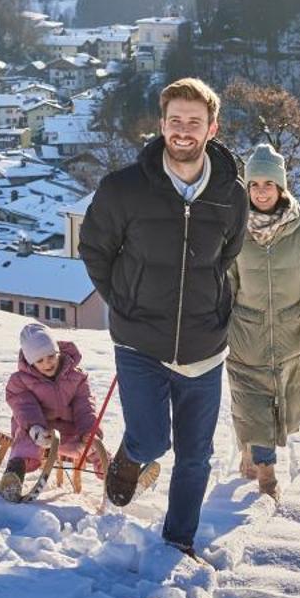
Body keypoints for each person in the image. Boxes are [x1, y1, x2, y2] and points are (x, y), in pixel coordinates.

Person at [78, 77, 247, 556]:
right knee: (153, 441)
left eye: (194, 122)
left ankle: (178, 541)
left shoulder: (230, 195)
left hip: (205, 345)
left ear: (212, 128)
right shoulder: (123, 189)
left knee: (196, 456)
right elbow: (94, 248)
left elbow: (227, 255)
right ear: (162, 125)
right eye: (175, 121)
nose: (183, 131)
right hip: (139, 342)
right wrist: (123, 301)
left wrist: (214, 306)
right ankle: (132, 457)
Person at [226, 142, 300, 501]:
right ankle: (266, 474)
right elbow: (223, 289)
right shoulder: (234, 234)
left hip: (290, 341)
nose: (260, 192)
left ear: (281, 188)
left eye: (268, 184)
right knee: (252, 409)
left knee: (282, 415)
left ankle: (252, 451)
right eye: (254, 184)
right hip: (245, 340)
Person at [0, 322, 100, 500]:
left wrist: (89, 432)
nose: (47, 363)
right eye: (39, 360)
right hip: (38, 429)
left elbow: (85, 405)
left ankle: (120, 476)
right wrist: (35, 428)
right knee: (26, 440)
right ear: (31, 362)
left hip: (68, 431)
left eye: (51, 356)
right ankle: (14, 475)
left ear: (58, 352)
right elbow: (24, 406)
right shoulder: (21, 381)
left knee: (93, 446)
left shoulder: (76, 377)